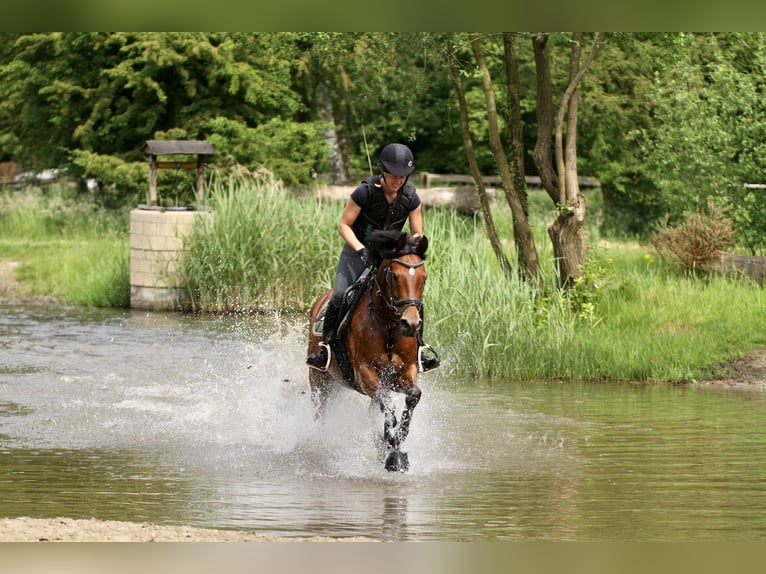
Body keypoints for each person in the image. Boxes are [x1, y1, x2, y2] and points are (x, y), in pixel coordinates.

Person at [307, 142, 440, 373]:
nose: (398, 180)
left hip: (391, 255)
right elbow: (344, 225)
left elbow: (418, 232)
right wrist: (361, 250)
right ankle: (324, 349)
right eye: (393, 175)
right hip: (357, 251)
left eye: (403, 176)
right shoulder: (365, 192)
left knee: (412, 301)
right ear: (383, 172)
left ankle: (419, 348)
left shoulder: (411, 197)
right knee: (340, 295)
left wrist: (409, 249)